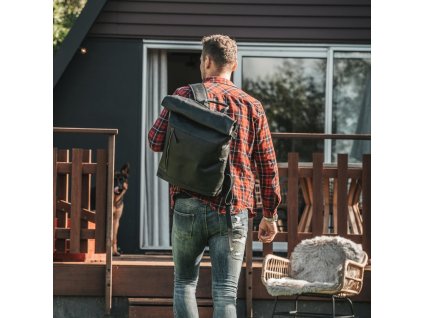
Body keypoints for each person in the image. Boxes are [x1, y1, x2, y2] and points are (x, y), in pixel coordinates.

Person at [148, 34, 281, 318]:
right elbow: (267, 164)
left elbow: (155, 141)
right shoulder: (251, 106)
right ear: (233, 65)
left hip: (188, 205)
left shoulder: (185, 95)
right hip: (233, 208)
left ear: (206, 60)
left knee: (184, 283)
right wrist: (270, 214)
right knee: (225, 292)